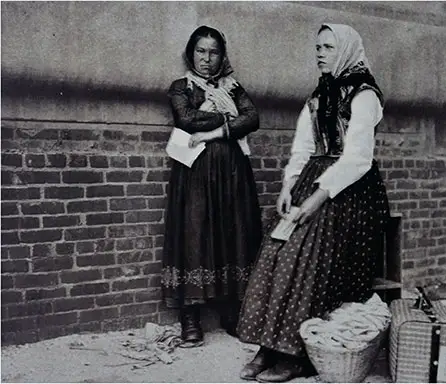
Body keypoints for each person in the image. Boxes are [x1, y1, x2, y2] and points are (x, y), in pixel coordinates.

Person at [237, 23, 390, 382]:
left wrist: (317, 199)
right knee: (275, 251)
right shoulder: (318, 95)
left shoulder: (365, 95)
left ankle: (295, 354)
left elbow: (357, 160)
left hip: (349, 191)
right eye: (317, 47)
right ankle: (268, 346)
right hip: (312, 182)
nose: (319, 53)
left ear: (347, 50)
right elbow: (303, 148)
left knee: (305, 256)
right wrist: (288, 186)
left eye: (328, 47)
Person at [162, 25, 263, 345]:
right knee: (195, 236)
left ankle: (231, 311)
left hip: (232, 173)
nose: (207, 59)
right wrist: (224, 117)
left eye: (214, 52)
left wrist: (212, 112)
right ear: (191, 53)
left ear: (222, 55)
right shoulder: (181, 87)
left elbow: (253, 119)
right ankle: (190, 318)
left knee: (231, 233)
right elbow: (185, 120)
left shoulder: (233, 88)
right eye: (201, 51)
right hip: (195, 174)